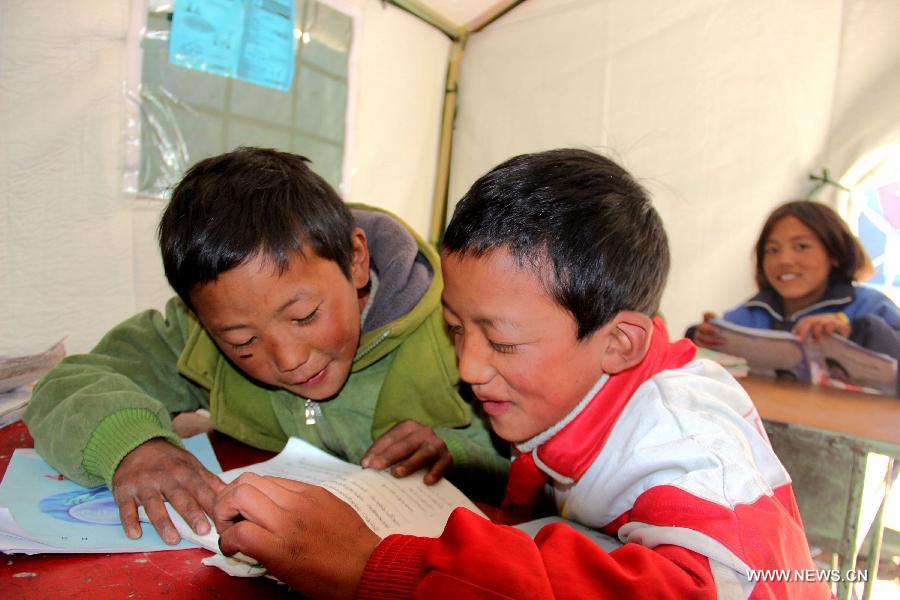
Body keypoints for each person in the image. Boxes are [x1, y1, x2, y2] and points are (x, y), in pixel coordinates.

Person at [211, 149, 829, 599]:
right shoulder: (574, 393)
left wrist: (376, 565)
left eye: (501, 342)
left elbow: (722, 588)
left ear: (619, 343)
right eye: (456, 329)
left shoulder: (692, 454)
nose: (468, 367)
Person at [24, 147, 507, 546]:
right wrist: (136, 447)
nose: (290, 360)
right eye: (242, 341)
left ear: (356, 260)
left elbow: (540, 458)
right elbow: (68, 384)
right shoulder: (197, 334)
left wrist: (460, 452)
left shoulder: (458, 324)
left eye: (305, 316)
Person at [688, 200, 900, 362]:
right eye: (772, 250)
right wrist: (700, 336)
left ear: (834, 254)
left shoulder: (869, 305)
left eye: (801, 247)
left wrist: (853, 332)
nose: (784, 260)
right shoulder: (754, 311)